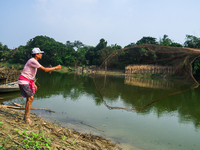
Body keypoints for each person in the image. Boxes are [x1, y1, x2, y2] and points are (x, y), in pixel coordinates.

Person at [18, 47, 61, 125]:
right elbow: (44, 70)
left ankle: (26, 117)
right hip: (24, 81)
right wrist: (56, 67)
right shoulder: (33, 61)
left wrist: (33, 83)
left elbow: (30, 73)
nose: (41, 55)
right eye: (40, 53)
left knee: (30, 98)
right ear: (36, 54)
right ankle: (26, 118)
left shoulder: (33, 61)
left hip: (27, 81)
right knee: (30, 98)